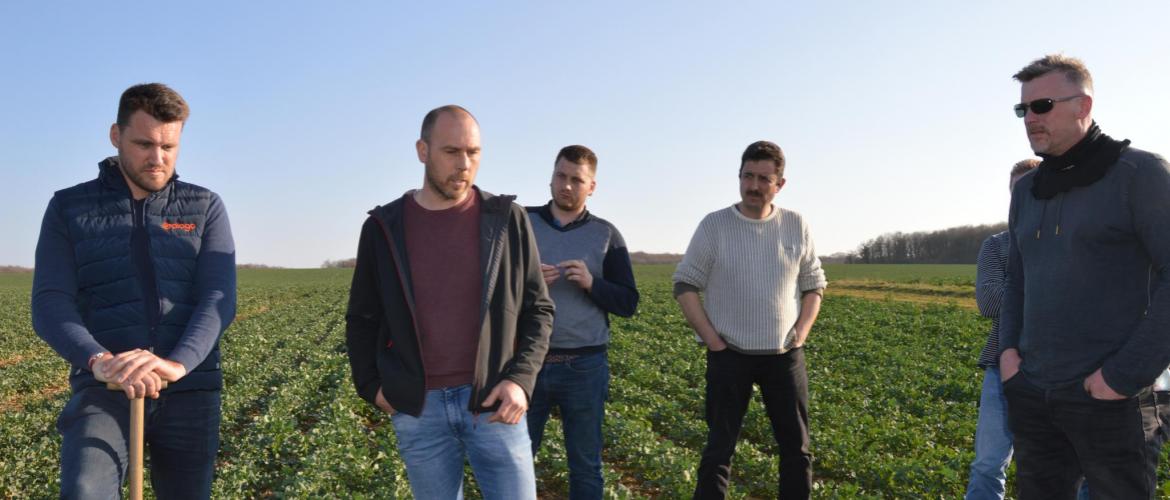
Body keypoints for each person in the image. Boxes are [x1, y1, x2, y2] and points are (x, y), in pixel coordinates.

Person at [32, 83, 236, 499]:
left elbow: (218, 298)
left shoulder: (205, 206)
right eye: (144, 144)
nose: (158, 158)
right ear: (115, 135)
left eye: (169, 145)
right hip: (104, 387)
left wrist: (177, 364)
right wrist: (100, 362)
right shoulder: (69, 208)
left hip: (189, 390)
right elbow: (51, 301)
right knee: (85, 490)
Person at [345, 105, 555, 499]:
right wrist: (371, 387)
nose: (464, 164)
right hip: (419, 409)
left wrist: (520, 381)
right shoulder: (383, 228)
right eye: (451, 151)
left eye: (473, 152)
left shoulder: (507, 219)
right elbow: (362, 318)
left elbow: (539, 309)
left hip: (494, 402)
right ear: (422, 150)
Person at [999, 54, 1170, 499]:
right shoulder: (1027, 191)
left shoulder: (1140, 174)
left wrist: (1121, 377)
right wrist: (1010, 359)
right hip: (1034, 395)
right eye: (1024, 109)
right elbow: (1018, 279)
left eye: (1043, 106)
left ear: (1083, 105)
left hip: (1111, 399)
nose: (1030, 119)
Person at [673, 140, 826, 500]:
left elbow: (814, 284)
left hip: (784, 357)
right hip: (730, 356)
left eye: (763, 178)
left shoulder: (796, 225)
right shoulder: (715, 225)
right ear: (739, 176)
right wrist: (713, 341)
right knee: (719, 450)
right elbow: (684, 284)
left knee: (796, 449)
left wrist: (801, 333)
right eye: (747, 176)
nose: (753, 186)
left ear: (780, 184)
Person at [525, 145, 639, 499]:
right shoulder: (524, 223)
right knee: (513, 461)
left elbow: (628, 303)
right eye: (561, 176)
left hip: (585, 366)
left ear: (592, 187)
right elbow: (489, 286)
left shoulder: (606, 235)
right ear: (551, 177)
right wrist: (529, 282)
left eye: (577, 180)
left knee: (585, 465)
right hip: (527, 363)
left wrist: (592, 284)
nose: (567, 186)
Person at [964, 158, 1039, 500]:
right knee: (988, 464)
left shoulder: (1072, 241)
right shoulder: (997, 245)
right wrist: (1044, 290)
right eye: (1015, 191)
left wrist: (1014, 286)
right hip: (1001, 367)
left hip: (1061, 370)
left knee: (1064, 466)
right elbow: (989, 303)